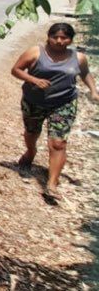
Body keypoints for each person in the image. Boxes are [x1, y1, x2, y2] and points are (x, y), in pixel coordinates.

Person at [10, 23, 99, 202]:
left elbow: (85, 73)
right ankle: (30, 152)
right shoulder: (35, 52)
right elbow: (16, 70)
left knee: (58, 143)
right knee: (31, 132)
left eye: (64, 38)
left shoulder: (78, 57)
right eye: (55, 37)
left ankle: (51, 184)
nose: (59, 41)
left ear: (70, 39)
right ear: (48, 37)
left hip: (64, 103)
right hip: (34, 101)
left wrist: (94, 90)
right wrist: (33, 79)